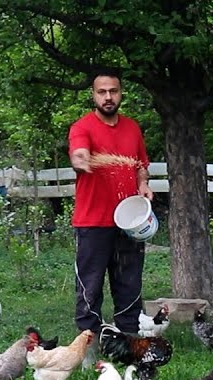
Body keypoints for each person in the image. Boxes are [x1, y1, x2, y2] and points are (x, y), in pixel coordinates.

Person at [69, 69, 154, 336]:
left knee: (129, 286)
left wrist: (142, 184)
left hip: (129, 223)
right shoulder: (82, 128)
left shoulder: (132, 128)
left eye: (113, 91)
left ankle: (130, 344)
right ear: (93, 95)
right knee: (89, 289)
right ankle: (88, 347)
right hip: (92, 223)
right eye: (102, 92)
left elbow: (141, 165)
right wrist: (82, 160)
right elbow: (79, 153)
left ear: (120, 93)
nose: (108, 97)